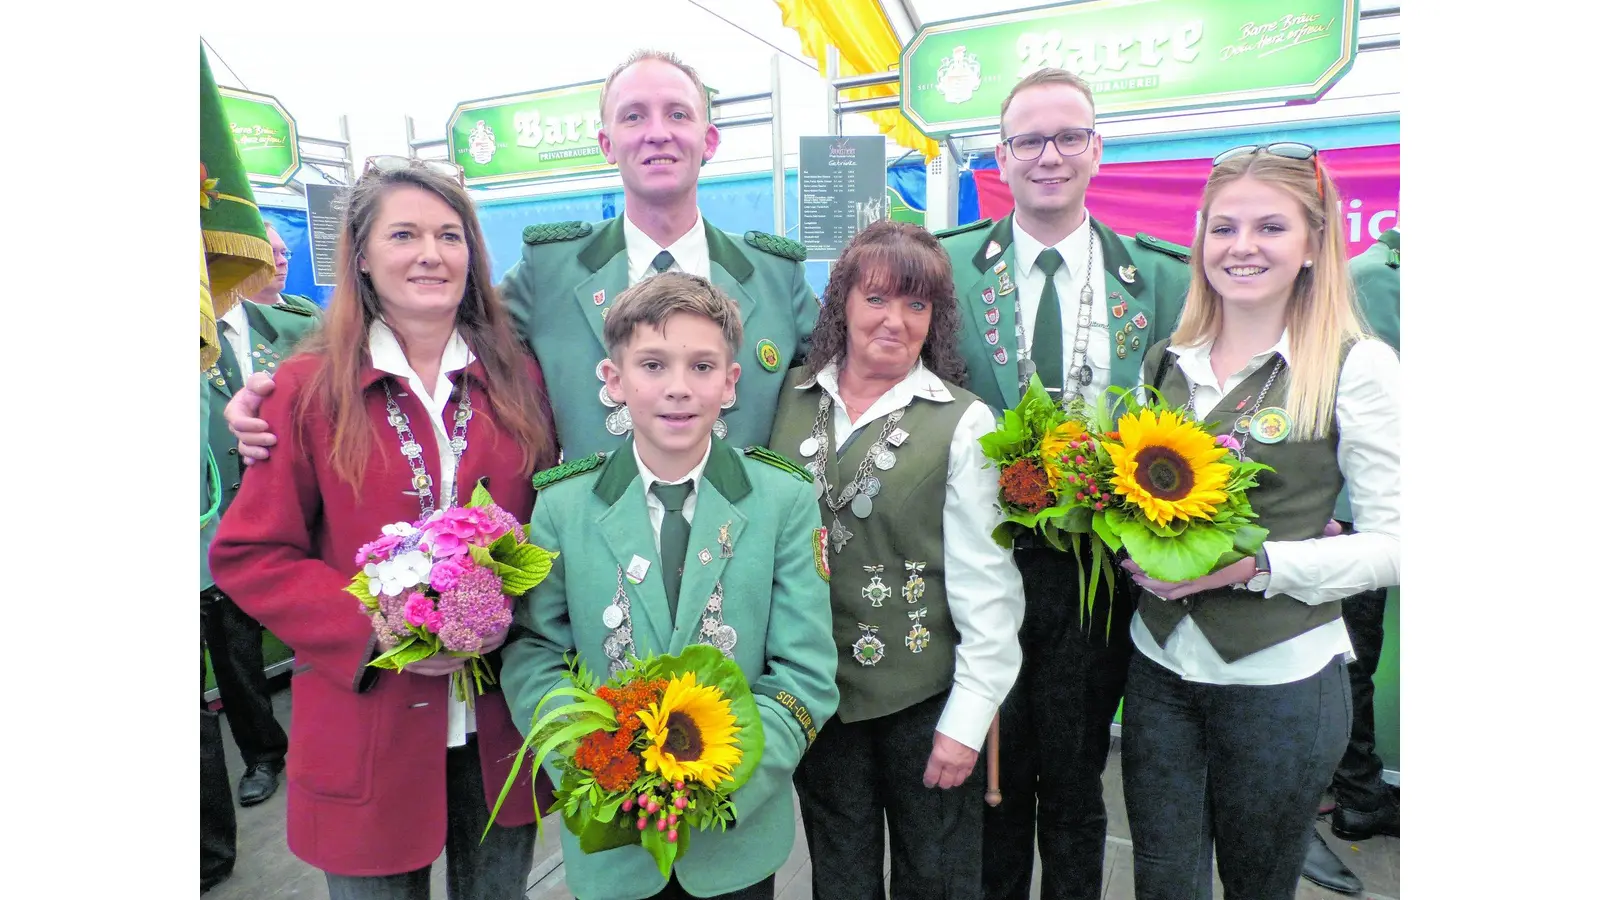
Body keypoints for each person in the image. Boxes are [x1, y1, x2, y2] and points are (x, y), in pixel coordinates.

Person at [208, 156, 559, 900]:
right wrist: (376, 627)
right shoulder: (305, 390)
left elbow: (560, 520)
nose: (430, 254)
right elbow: (249, 552)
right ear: (361, 256)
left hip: (499, 724)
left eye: (449, 235)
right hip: (366, 723)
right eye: (404, 234)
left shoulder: (523, 380)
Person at [222, 49, 817, 464]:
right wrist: (281, 392)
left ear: (708, 141)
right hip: (595, 573)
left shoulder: (774, 275)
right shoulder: (552, 270)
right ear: (608, 143)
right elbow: (422, 329)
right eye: (634, 116)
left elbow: (857, 375)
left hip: (750, 570)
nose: (656, 133)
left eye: (678, 115)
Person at [499, 272, 839, 900]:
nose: (678, 388)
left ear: (731, 382)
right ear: (613, 379)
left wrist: (716, 783)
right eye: (652, 365)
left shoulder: (782, 500)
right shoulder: (564, 507)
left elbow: (806, 670)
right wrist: (595, 767)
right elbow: (533, 654)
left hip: (733, 834)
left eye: (703, 365)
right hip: (611, 833)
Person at [1118, 143, 1400, 899]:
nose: (1242, 247)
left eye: (1270, 228)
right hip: (1159, 667)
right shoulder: (1166, 361)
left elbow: (1399, 546)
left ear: (1314, 243)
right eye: (1223, 227)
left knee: (1257, 884)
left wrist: (1258, 565)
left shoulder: (1354, 365)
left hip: (1281, 679)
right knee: (1163, 881)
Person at [934, 68, 1190, 900]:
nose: (1050, 155)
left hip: (1097, 577)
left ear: (1097, 149)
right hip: (975, 569)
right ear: (1000, 158)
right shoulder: (947, 269)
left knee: (1078, 783)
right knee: (993, 776)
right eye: (1029, 140)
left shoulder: (1158, 278)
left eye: (1069, 137)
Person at [768, 220, 1024, 898]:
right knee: (839, 876)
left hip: (924, 697)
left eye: (916, 304)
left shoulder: (965, 422)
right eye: (877, 298)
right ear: (844, 302)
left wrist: (968, 723)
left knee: (935, 877)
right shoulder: (783, 400)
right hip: (815, 694)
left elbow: (989, 589)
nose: (895, 320)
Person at [1301, 225, 1401, 896]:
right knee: (1347, 663)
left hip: (1369, 513)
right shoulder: (1369, 281)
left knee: (1353, 660)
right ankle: (1352, 792)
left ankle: (1354, 790)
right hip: (1340, 519)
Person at [203, 255, 319, 807]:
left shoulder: (297, 327)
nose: (271, 257)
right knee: (235, 650)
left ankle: (321, 740)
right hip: (215, 519)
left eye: (276, 249)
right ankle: (263, 756)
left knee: (313, 631)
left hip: (297, 516)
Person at [247, 222, 325, 316]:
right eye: (271, 253)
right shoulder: (230, 316)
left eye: (283, 253)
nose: (283, 261)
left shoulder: (311, 311)